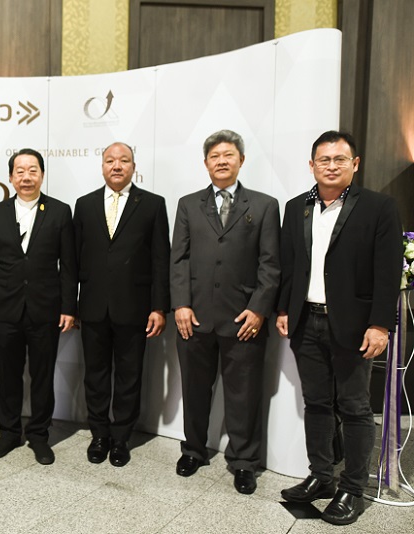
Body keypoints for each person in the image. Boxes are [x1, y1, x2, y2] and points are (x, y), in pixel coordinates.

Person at [276, 131, 402, 525]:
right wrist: (283, 309)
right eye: (324, 159)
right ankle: (321, 476)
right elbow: (289, 264)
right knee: (316, 403)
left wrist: (380, 324)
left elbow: (388, 271)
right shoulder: (296, 207)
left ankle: (352, 487)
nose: (331, 166)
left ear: (355, 164)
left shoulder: (379, 207)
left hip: (354, 325)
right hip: (305, 320)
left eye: (339, 159)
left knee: (355, 407)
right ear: (312, 165)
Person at [170, 130, 280, 494]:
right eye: (214, 156)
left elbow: (270, 264)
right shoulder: (188, 204)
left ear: (241, 161)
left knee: (244, 395)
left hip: (243, 318)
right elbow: (179, 258)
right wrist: (181, 304)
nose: (221, 161)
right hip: (194, 317)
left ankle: (244, 461)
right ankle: (193, 450)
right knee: (194, 390)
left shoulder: (264, 205)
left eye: (228, 155)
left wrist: (259, 309)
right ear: (205, 163)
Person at [0, 149, 77, 465]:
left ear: (42, 175)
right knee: (8, 375)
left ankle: (39, 435)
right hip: (5, 310)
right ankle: (8, 433)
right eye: (19, 171)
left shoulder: (59, 211)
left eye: (33, 170)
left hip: (46, 310)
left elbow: (69, 265)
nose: (26, 176)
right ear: (10, 177)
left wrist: (68, 307)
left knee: (42, 377)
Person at [73, 142, 170, 467]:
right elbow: (73, 260)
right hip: (92, 307)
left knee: (129, 376)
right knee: (95, 375)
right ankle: (99, 435)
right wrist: (70, 306)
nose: (117, 166)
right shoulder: (84, 205)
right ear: (102, 166)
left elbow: (161, 259)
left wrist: (159, 307)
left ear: (133, 166)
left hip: (135, 307)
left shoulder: (153, 204)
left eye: (124, 160)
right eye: (110, 160)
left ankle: (121, 438)